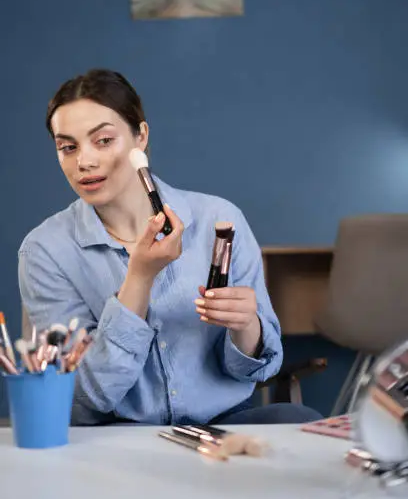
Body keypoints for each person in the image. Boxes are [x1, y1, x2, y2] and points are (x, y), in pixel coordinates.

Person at [18, 69, 320, 426]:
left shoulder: (219, 220)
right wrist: (139, 279)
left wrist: (246, 327)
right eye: (68, 147)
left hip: (220, 427)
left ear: (140, 137)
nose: (84, 161)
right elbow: (93, 392)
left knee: (298, 421)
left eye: (102, 141)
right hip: (114, 436)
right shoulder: (44, 250)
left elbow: (252, 371)